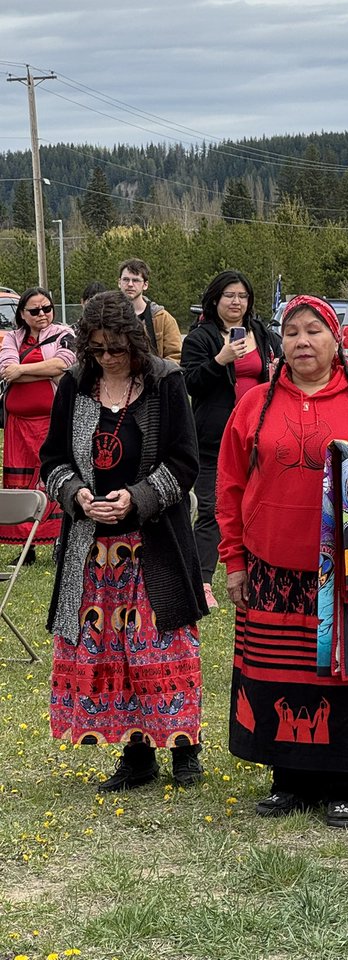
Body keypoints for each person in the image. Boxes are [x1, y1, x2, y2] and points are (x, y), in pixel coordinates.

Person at [216, 294, 348, 826]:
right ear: (280, 343)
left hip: (345, 569)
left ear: (336, 341)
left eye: (314, 331)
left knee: (342, 673)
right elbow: (231, 484)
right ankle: (290, 779)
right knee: (280, 674)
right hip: (270, 564)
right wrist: (234, 558)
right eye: (292, 332)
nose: (303, 342)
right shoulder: (254, 403)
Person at [40, 291, 206, 791]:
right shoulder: (75, 385)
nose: (107, 357)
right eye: (97, 349)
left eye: (116, 348)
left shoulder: (165, 382)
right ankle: (136, 757)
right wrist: (77, 495)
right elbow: (52, 460)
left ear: (134, 342)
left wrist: (136, 498)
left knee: (163, 647)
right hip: (92, 549)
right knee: (110, 651)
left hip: (154, 541)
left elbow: (184, 462)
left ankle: (184, 752)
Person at [181, 271, 281, 609]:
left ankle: (260, 571)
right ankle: (203, 581)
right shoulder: (199, 338)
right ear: (215, 300)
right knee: (212, 508)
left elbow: (280, 370)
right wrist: (220, 360)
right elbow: (190, 383)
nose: (236, 302)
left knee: (261, 506)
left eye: (242, 296)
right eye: (229, 296)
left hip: (262, 435)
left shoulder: (262, 334)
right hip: (215, 437)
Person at [0, 288, 75, 562]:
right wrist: (35, 371)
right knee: (21, 485)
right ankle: (25, 546)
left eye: (47, 308)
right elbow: (6, 369)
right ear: (22, 314)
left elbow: (64, 364)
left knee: (52, 478)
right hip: (18, 427)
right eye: (35, 310)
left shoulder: (64, 334)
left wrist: (22, 370)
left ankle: (57, 539)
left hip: (51, 422)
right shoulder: (12, 337)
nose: (42, 314)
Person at [117, 258, 182, 362]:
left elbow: (175, 356)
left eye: (136, 280)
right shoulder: (109, 315)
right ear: (119, 282)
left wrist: (158, 374)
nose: (130, 284)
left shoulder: (162, 318)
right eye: (125, 279)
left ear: (145, 285)